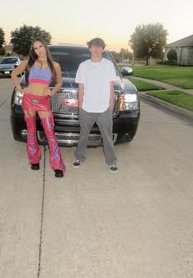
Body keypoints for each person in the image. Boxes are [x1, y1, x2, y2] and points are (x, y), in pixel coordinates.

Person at [11, 38, 66, 178]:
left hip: (43, 101)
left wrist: (52, 92)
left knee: (50, 132)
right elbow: (14, 74)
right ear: (33, 50)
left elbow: (59, 82)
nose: (39, 50)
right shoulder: (28, 62)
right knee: (31, 131)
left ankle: (57, 165)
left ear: (45, 47)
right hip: (28, 100)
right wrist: (19, 88)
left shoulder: (55, 65)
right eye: (35, 48)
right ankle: (34, 160)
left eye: (40, 46)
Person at [73, 37, 118, 172]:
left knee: (107, 138)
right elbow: (81, 88)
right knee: (83, 136)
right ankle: (79, 157)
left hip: (104, 109)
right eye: (94, 46)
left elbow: (111, 86)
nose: (96, 49)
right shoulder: (83, 66)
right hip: (86, 108)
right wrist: (80, 107)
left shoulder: (108, 65)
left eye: (99, 47)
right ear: (90, 48)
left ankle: (112, 161)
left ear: (103, 49)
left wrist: (110, 105)